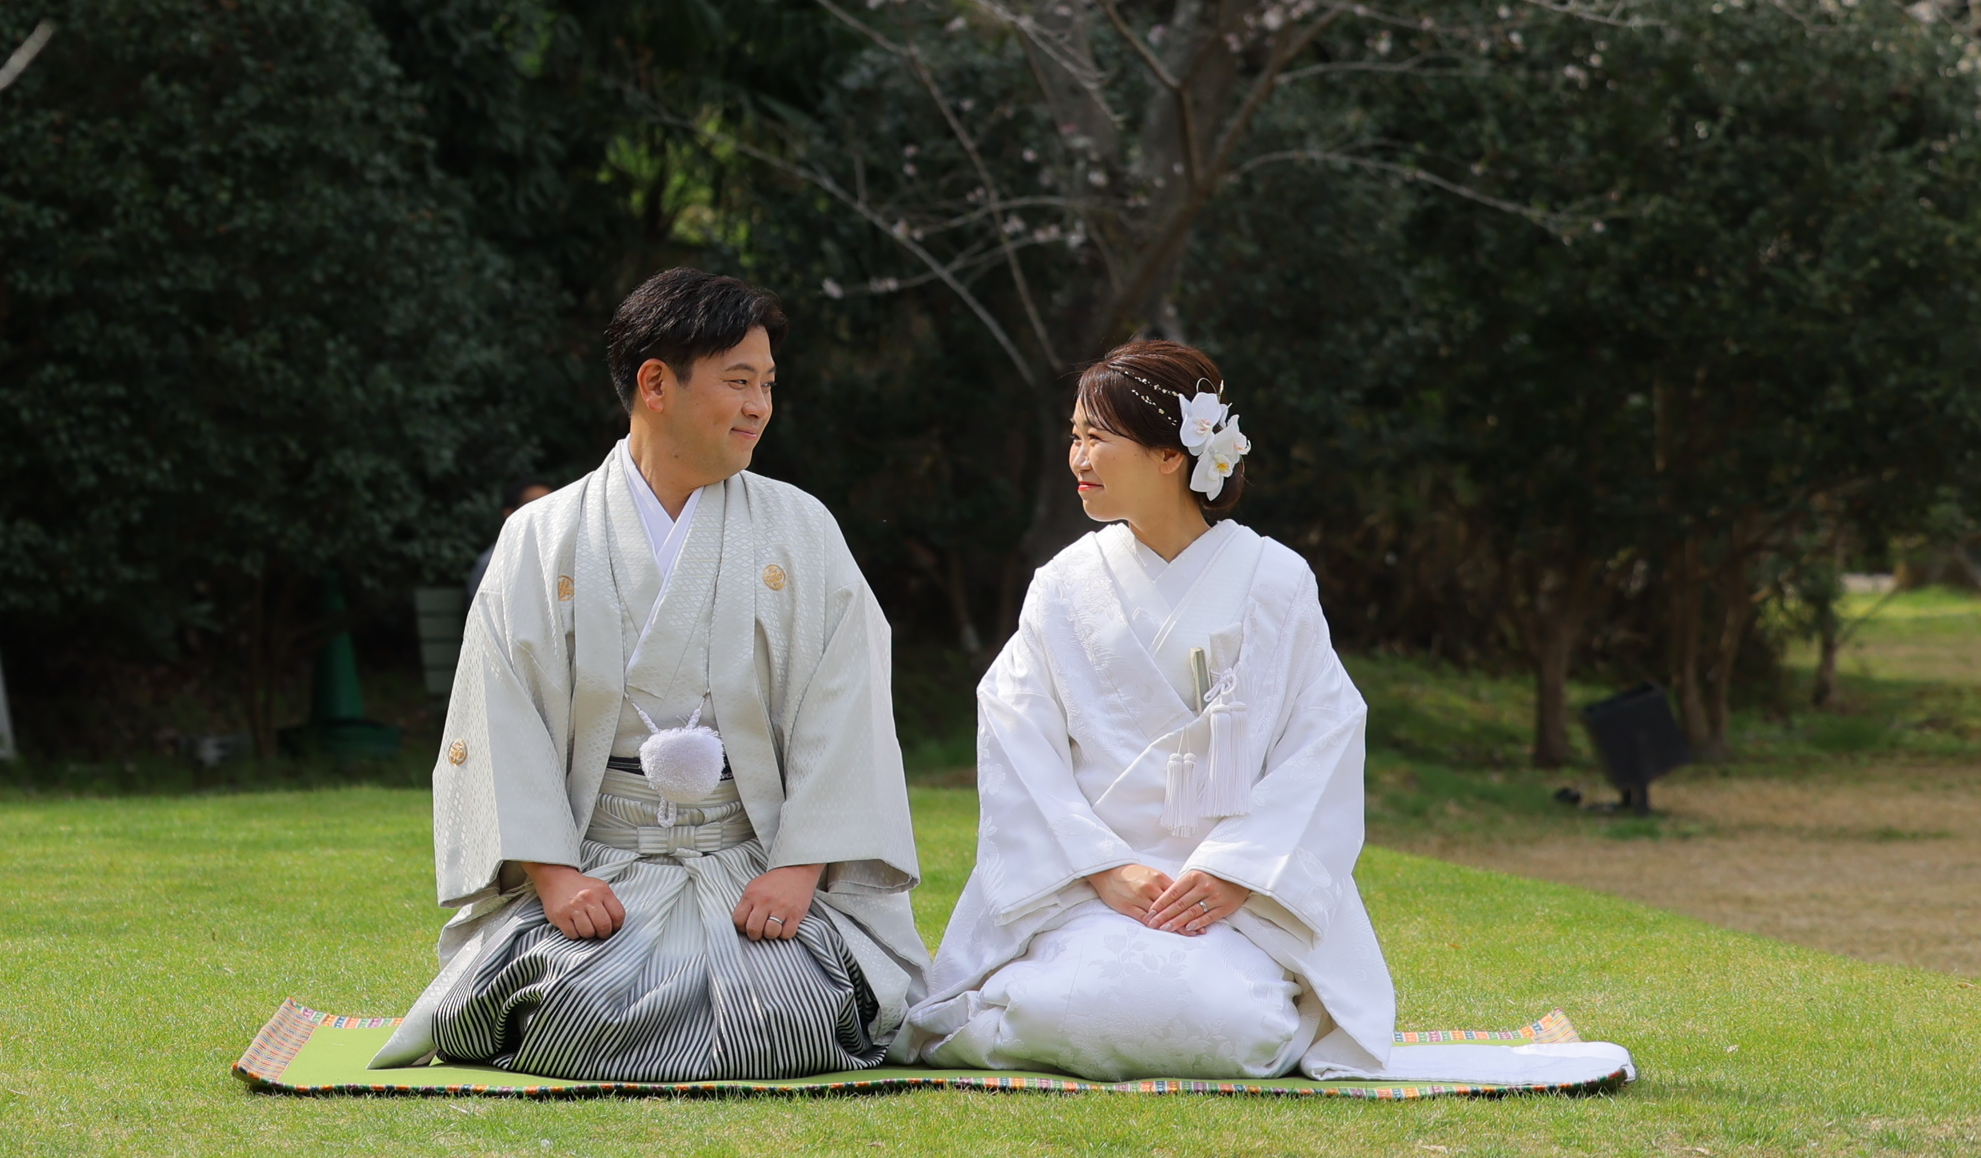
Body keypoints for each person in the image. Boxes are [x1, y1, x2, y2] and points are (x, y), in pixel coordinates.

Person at [909, 340, 1631, 1089]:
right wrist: (1104, 867)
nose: (1077, 456)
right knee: (1085, 1001)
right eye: (1074, 435)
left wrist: (1237, 873)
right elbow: (1016, 732)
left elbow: (1322, 738)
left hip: (1230, 899)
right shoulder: (1061, 586)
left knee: (1227, 1019)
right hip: (1092, 889)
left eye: (1097, 437)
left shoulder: (1277, 581)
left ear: (1170, 454)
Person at [372, 270, 925, 1081]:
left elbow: (845, 712)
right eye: (739, 382)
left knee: (788, 1008)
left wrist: (800, 871)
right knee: (581, 1004)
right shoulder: (542, 535)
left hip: (755, 859)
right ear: (655, 383)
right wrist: (555, 880)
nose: (760, 406)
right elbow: (500, 717)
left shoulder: (800, 528)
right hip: (599, 862)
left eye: (768, 384)